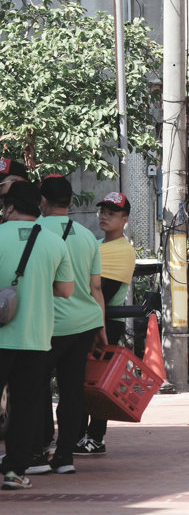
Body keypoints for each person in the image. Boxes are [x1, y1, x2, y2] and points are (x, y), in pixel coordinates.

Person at [26, 176, 105, 476]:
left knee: (34, 388)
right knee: (72, 391)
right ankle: (64, 457)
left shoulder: (33, 232)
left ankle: (35, 453)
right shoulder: (87, 237)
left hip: (46, 325)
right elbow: (95, 288)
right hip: (84, 325)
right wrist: (101, 329)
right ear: (71, 202)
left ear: (42, 201)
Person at [0, 181, 73, 490]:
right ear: (38, 206)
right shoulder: (55, 243)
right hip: (36, 337)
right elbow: (65, 290)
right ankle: (15, 471)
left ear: (11, 207)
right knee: (26, 406)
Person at [74, 192, 136, 456]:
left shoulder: (122, 251)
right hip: (87, 319)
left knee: (99, 382)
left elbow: (104, 291)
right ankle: (77, 436)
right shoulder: (97, 244)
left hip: (107, 323)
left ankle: (95, 437)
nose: (104, 216)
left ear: (125, 219)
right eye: (102, 211)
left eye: (111, 213)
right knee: (81, 381)